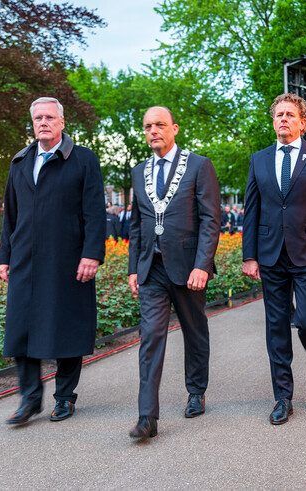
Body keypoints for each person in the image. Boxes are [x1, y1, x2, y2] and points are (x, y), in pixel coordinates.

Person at [0, 96, 106, 425]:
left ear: (62, 122)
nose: (43, 122)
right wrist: (5, 256)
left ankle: (64, 397)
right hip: (25, 261)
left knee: (67, 327)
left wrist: (91, 254)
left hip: (67, 259)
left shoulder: (82, 160)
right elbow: (10, 216)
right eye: (37, 118)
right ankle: (29, 399)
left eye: (49, 117)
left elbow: (94, 213)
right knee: (20, 329)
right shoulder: (19, 162)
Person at [242, 93, 306, 425]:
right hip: (272, 256)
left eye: (289, 114)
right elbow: (252, 211)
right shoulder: (259, 159)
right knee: (276, 327)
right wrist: (250, 255)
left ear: (303, 121)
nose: (282, 119)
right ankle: (282, 396)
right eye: (278, 115)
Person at [127, 106, 221, 440]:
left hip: (187, 268)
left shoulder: (198, 166)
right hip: (151, 269)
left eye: (160, 125)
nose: (153, 130)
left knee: (195, 332)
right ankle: (147, 416)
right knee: (151, 337)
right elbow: (137, 224)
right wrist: (132, 268)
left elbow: (211, 219)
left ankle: (196, 390)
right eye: (148, 125)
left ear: (175, 128)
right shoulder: (139, 172)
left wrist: (202, 265)